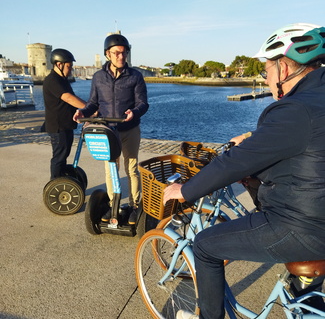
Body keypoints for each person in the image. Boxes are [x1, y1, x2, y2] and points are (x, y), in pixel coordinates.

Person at [163, 23, 325, 319]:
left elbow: (233, 163)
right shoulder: (316, 100)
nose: (266, 79)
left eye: (267, 71)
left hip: (304, 226)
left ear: (283, 69)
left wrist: (184, 190)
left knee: (205, 245)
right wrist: (254, 138)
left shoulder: (294, 109)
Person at [73, 34, 149, 224]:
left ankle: (134, 206)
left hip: (130, 128)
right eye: (116, 53)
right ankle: (113, 204)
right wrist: (83, 112)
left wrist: (135, 112)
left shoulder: (135, 76)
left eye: (124, 53)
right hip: (108, 131)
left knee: (131, 169)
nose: (121, 57)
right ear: (108, 54)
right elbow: (93, 103)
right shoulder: (99, 77)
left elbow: (143, 103)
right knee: (110, 170)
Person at [43, 48, 86, 179]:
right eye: (69, 66)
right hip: (58, 126)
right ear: (59, 64)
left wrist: (83, 111)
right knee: (59, 157)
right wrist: (90, 108)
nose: (71, 69)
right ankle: (54, 184)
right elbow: (68, 98)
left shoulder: (62, 80)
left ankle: (62, 180)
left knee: (64, 155)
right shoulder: (52, 80)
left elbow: (71, 101)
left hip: (66, 125)